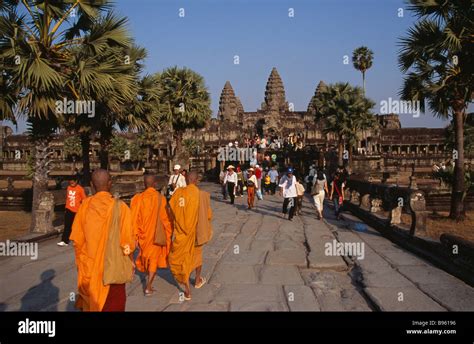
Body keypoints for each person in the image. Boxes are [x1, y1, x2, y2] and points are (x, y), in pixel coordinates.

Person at [70, 169, 135, 311]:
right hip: (113, 272)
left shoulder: (84, 207)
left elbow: (77, 242)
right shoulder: (122, 208)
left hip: (90, 271)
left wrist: (82, 265)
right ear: (110, 184)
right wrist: (130, 261)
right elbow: (128, 243)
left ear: (92, 185)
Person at [168, 171, 212, 300]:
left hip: (181, 234)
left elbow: (171, 210)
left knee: (182, 261)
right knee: (197, 257)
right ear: (197, 180)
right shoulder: (201, 195)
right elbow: (208, 215)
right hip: (195, 234)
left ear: (186, 179)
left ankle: (187, 289)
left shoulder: (177, 193)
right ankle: (197, 280)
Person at [130, 175, 172, 296]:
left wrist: (135, 235)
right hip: (155, 235)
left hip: (143, 235)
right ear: (154, 184)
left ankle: (149, 280)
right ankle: (148, 287)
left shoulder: (137, 199)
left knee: (148, 257)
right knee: (153, 258)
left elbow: (133, 219)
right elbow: (166, 219)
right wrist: (169, 232)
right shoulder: (161, 199)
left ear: (144, 184)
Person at [58, 175, 87, 247]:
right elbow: (68, 199)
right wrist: (66, 208)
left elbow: (84, 200)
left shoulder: (80, 189)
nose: (72, 184)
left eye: (73, 183)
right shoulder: (68, 188)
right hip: (68, 209)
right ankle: (64, 241)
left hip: (77, 211)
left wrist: (84, 209)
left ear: (76, 181)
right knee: (67, 226)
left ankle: (78, 240)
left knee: (77, 227)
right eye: (70, 183)